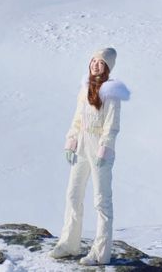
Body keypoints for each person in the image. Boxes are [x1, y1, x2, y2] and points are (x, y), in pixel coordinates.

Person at [50, 47, 131, 265]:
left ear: (108, 67)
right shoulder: (85, 88)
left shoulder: (111, 92)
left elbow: (111, 125)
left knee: (101, 201)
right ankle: (69, 243)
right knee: (73, 194)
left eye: (101, 62)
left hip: (99, 149)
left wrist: (105, 148)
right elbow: (77, 119)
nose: (96, 64)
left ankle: (100, 253)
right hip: (82, 146)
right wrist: (71, 140)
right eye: (94, 60)